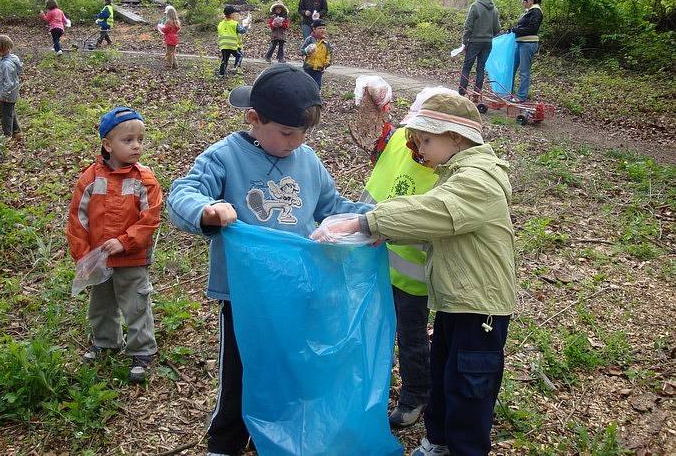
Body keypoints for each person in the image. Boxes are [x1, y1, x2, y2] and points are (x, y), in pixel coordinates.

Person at [167, 64, 372, 456]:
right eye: (288, 133)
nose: (297, 142)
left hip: (298, 288)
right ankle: (225, 442)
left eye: (303, 133)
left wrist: (372, 219)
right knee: (240, 371)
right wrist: (208, 210)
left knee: (290, 365)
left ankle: (279, 434)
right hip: (246, 296)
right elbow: (182, 194)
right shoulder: (226, 157)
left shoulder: (308, 160)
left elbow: (333, 207)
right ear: (254, 120)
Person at [313, 91, 516, 456]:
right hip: (458, 301)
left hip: (480, 308)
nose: (419, 148)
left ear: (454, 137)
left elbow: (434, 212)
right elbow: (438, 224)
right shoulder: (456, 172)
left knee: (469, 385)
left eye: (425, 139)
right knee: (443, 376)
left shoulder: (479, 178)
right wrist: (385, 232)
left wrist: (367, 222)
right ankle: (437, 441)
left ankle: (464, 448)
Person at [360, 88, 445, 430]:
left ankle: (415, 395)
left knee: (410, 335)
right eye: (415, 137)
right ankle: (371, 390)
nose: (417, 146)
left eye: (426, 139)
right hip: (374, 259)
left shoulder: (451, 167)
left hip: (413, 274)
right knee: (375, 330)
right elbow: (377, 187)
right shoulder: (398, 141)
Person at [66, 106, 162, 383]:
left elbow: (150, 217)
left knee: (136, 302)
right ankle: (106, 341)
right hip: (100, 258)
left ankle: (142, 350)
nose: (136, 146)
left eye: (140, 140)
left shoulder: (144, 179)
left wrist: (125, 241)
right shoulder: (90, 179)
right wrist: (83, 254)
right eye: (128, 140)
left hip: (131, 257)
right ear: (107, 145)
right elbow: (78, 217)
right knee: (101, 302)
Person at [459, 0, 500, 98]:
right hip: (487, 43)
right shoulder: (494, 9)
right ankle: (477, 94)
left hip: (474, 42)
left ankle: (462, 92)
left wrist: (464, 42)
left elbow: (468, 26)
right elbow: (497, 29)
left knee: (467, 66)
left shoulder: (475, 6)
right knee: (480, 68)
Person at [511, 0, 543, 102]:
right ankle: (508, 92)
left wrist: (516, 30)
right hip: (520, 42)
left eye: (524, 0)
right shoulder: (528, 11)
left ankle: (521, 96)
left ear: (530, 1)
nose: (522, 2)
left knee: (524, 71)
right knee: (512, 68)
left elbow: (533, 29)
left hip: (528, 43)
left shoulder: (536, 12)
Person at [0, 35, 23, 139]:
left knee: (5, 115)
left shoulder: (6, 64)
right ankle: (17, 132)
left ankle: (7, 136)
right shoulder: (12, 58)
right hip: (12, 92)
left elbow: (8, 83)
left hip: (7, 94)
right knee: (11, 112)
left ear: (2, 49)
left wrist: (2, 95)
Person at [217, 5, 248, 77]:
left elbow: (220, 32)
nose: (235, 14)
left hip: (223, 45)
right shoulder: (234, 23)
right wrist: (246, 26)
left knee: (224, 60)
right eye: (234, 13)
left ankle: (221, 74)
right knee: (239, 56)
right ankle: (236, 69)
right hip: (232, 45)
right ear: (231, 14)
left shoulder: (220, 24)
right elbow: (242, 31)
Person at [301, 19, 331, 89]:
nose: (322, 30)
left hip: (319, 68)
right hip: (308, 67)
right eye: (319, 28)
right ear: (314, 29)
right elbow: (301, 51)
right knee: (307, 84)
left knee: (317, 86)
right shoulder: (309, 39)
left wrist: (326, 65)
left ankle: (316, 98)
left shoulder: (326, 42)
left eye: (324, 28)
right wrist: (307, 51)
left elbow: (329, 55)